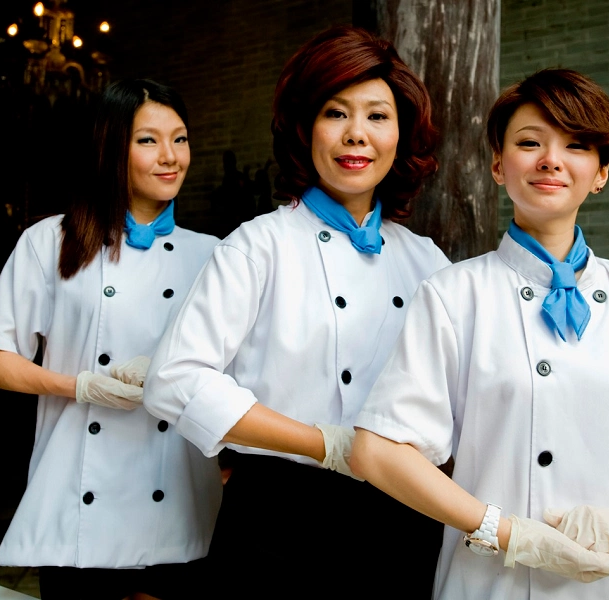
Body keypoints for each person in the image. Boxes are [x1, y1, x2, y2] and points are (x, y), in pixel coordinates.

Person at [348, 68, 609, 599]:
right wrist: (508, 533)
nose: (551, 159)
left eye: (576, 145)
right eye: (529, 142)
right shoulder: (453, 296)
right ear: (499, 165)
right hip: (497, 579)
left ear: (601, 173)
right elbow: (378, 452)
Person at [141, 25, 450, 599]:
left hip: (403, 519)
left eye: (378, 116)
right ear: (305, 127)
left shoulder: (426, 259)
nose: (356, 134)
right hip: (277, 519)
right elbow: (174, 380)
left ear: (401, 134)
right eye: (336, 113)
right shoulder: (257, 246)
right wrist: (323, 444)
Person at [0, 79, 222, 600]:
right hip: (79, 514)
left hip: (179, 502)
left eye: (181, 139)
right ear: (109, 146)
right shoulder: (50, 241)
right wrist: (81, 386)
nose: (170, 157)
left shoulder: (216, 255)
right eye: (148, 140)